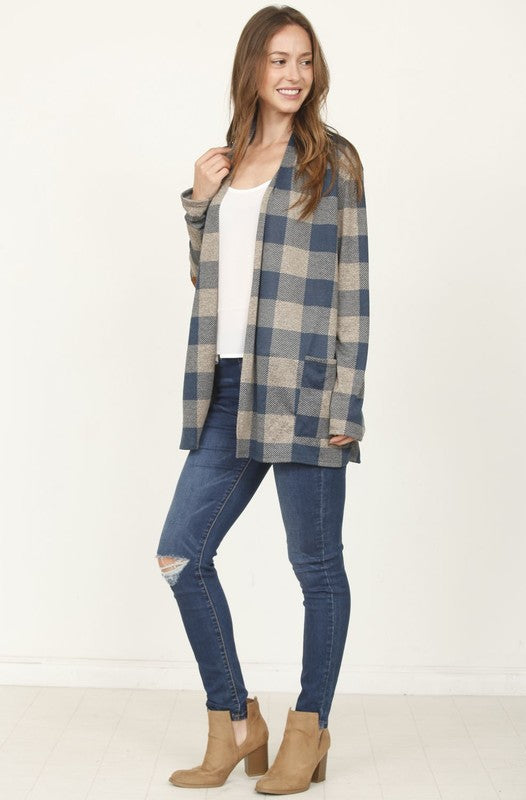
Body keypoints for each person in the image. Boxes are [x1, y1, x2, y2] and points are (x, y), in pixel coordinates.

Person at [155, 4, 369, 794]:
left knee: (315, 566)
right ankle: (235, 720)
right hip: (226, 386)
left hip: (306, 391)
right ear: (251, 67)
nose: (292, 74)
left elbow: (353, 287)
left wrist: (346, 403)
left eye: (303, 60)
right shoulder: (227, 160)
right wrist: (198, 199)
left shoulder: (331, 160)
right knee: (181, 554)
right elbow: (206, 276)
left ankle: (309, 728)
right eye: (278, 59)